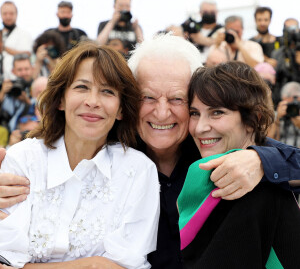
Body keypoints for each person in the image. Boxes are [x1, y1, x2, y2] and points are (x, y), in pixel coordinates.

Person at [1, 34, 300, 269]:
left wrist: (259, 158)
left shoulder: (214, 147)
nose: (161, 112)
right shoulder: (110, 146)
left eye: (177, 99)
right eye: (148, 97)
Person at [0, 41, 160, 268]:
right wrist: (93, 263)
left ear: (121, 109)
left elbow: (126, 264)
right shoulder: (22, 160)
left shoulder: (138, 171)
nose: (92, 102)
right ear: (61, 99)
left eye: (107, 91)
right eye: (82, 87)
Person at [178, 61, 300, 268]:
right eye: (194, 113)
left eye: (217, 112)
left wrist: (261, 161)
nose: (200, 128)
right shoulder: (201, 165)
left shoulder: (257, 187)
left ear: (253, 119)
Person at [0, 54, 34, 132]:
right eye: (19, 70)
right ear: (13, 71)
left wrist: (27, 101)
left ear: (32, 69)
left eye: (26, 69)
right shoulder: (9, 86)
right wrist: (2, 92)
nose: (23, 73)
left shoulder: (38, 86)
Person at [0, 1, 33, 80]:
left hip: (18, 79)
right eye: (5, 14)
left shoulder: (24, 34)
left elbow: (26, 54)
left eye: (11, 13)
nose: (8, 17)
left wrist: (4, 48)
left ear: (16, 14)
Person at [268, 81, 300, 147]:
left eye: (296, 104)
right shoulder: (277, 116)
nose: (293, 108)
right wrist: (277, 120)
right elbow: (269, 142)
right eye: (289, 104)